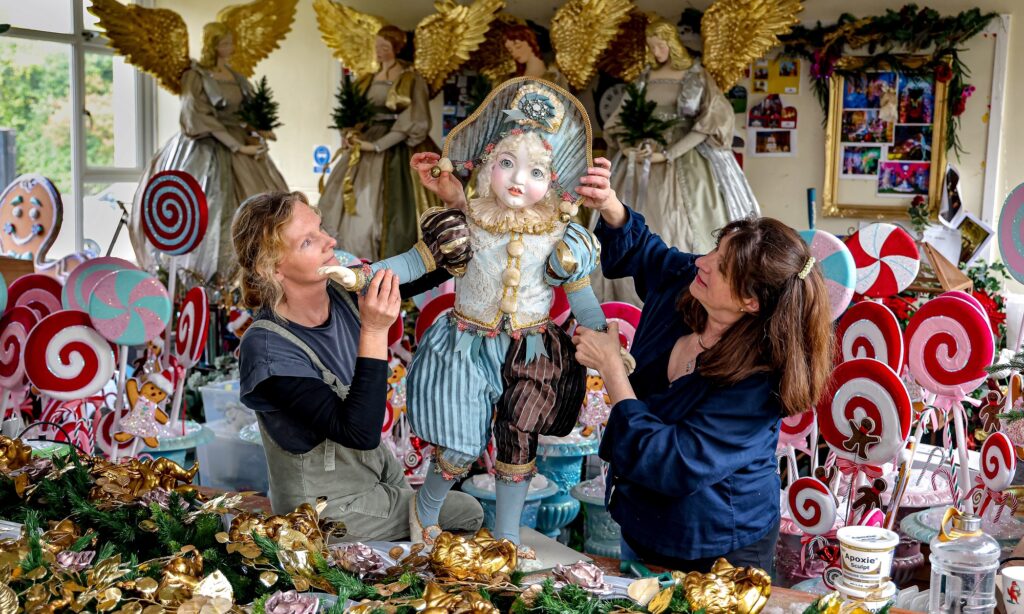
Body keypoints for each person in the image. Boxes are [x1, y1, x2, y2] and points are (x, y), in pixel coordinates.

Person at [322, 79, 614, 559]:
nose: (518, 180)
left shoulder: (563, 235)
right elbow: (415, 264)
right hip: (466, 346)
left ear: (555, 183)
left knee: (518, 445)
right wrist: (364, 276)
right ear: (485, 166)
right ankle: (427, 511)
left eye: (536, 171)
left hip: (532, 351)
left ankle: (507, 538)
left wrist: (605, 340)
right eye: (506, 164)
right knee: (457, 447)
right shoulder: (466, 221)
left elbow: (582, 297)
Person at [572, 161, 834, 573]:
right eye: (716, 248)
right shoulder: (692, 287)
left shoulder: (759, 382)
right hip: (641, 519)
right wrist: (611, 206)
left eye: (720, 265)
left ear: (751, 302)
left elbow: (674, 462)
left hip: (717, 546)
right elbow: (649, 255)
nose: (702, 262)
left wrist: (612, 369)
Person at [233, 190, 483, 541]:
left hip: (375, 471)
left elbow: (430, 267)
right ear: (272, 267)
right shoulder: (268, 348)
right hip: (323, 510)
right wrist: (375, 329)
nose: (330, 241)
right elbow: (359, 433)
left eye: (321, 228)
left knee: (436, 504)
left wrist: (458, 206)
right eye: (308, 241)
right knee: (468, 511)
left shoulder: (343, 289)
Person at [594, 18, 759, 306]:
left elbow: (710, 122)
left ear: (671, 43)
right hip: (640, 163)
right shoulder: (644, 78)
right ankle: (627, 300)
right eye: (651, 47)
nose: (656, 51)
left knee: (684, 226)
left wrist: (669, 154)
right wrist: (630, 147)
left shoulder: (696, 77)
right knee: (624, 215)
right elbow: (620, 121)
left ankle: (693, 294)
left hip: (687, 162)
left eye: (660, 45)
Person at [129, 22, 288, 284]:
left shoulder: (235, 76)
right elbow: (196, 117)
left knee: (262, 205)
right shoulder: (195, 76)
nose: (230, 48)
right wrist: (236, 146)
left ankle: (257, 277)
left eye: (231, 42)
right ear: (212, 46)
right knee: (206, 205)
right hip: (205, 147)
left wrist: (258, 130)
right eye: (224, 43)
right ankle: (200, 280)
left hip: (241, 148)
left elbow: (245, 111)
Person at [318, 25, 439, 261]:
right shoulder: (366, 79)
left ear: (396, 48)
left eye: (385, 47)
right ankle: (348, 262)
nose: (379, 52)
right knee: (346, 206)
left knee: (382, 210)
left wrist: (377, 145)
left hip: (396, 146)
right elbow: (352, 111)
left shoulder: (410, 79)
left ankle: (387, 265)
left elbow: (414, 118)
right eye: (377, 47)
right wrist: (350, 133)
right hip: (364, 144)